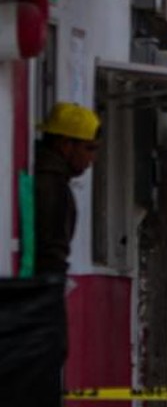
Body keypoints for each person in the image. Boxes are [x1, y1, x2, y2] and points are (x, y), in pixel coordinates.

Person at [30, 101, 100, 278]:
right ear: (65, 145)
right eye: (89, 148)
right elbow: (52, 255)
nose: (92, 158)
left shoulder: (39, 174)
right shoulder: (52, 187)